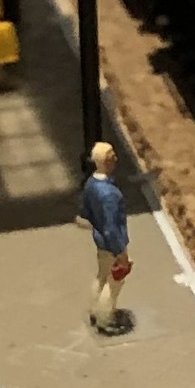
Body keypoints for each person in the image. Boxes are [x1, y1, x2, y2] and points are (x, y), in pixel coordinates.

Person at [79, 140, 133, 336]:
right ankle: (104, 318)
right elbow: (112, 228)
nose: (116, 159)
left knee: (101, 275)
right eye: (112, 157)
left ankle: (95, 310)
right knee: (114, 282)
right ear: (106, 162)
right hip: (111, 244)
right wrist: (121, 253)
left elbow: (85, 212)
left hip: (99, 239)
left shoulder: (91, 184)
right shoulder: (110, 194)